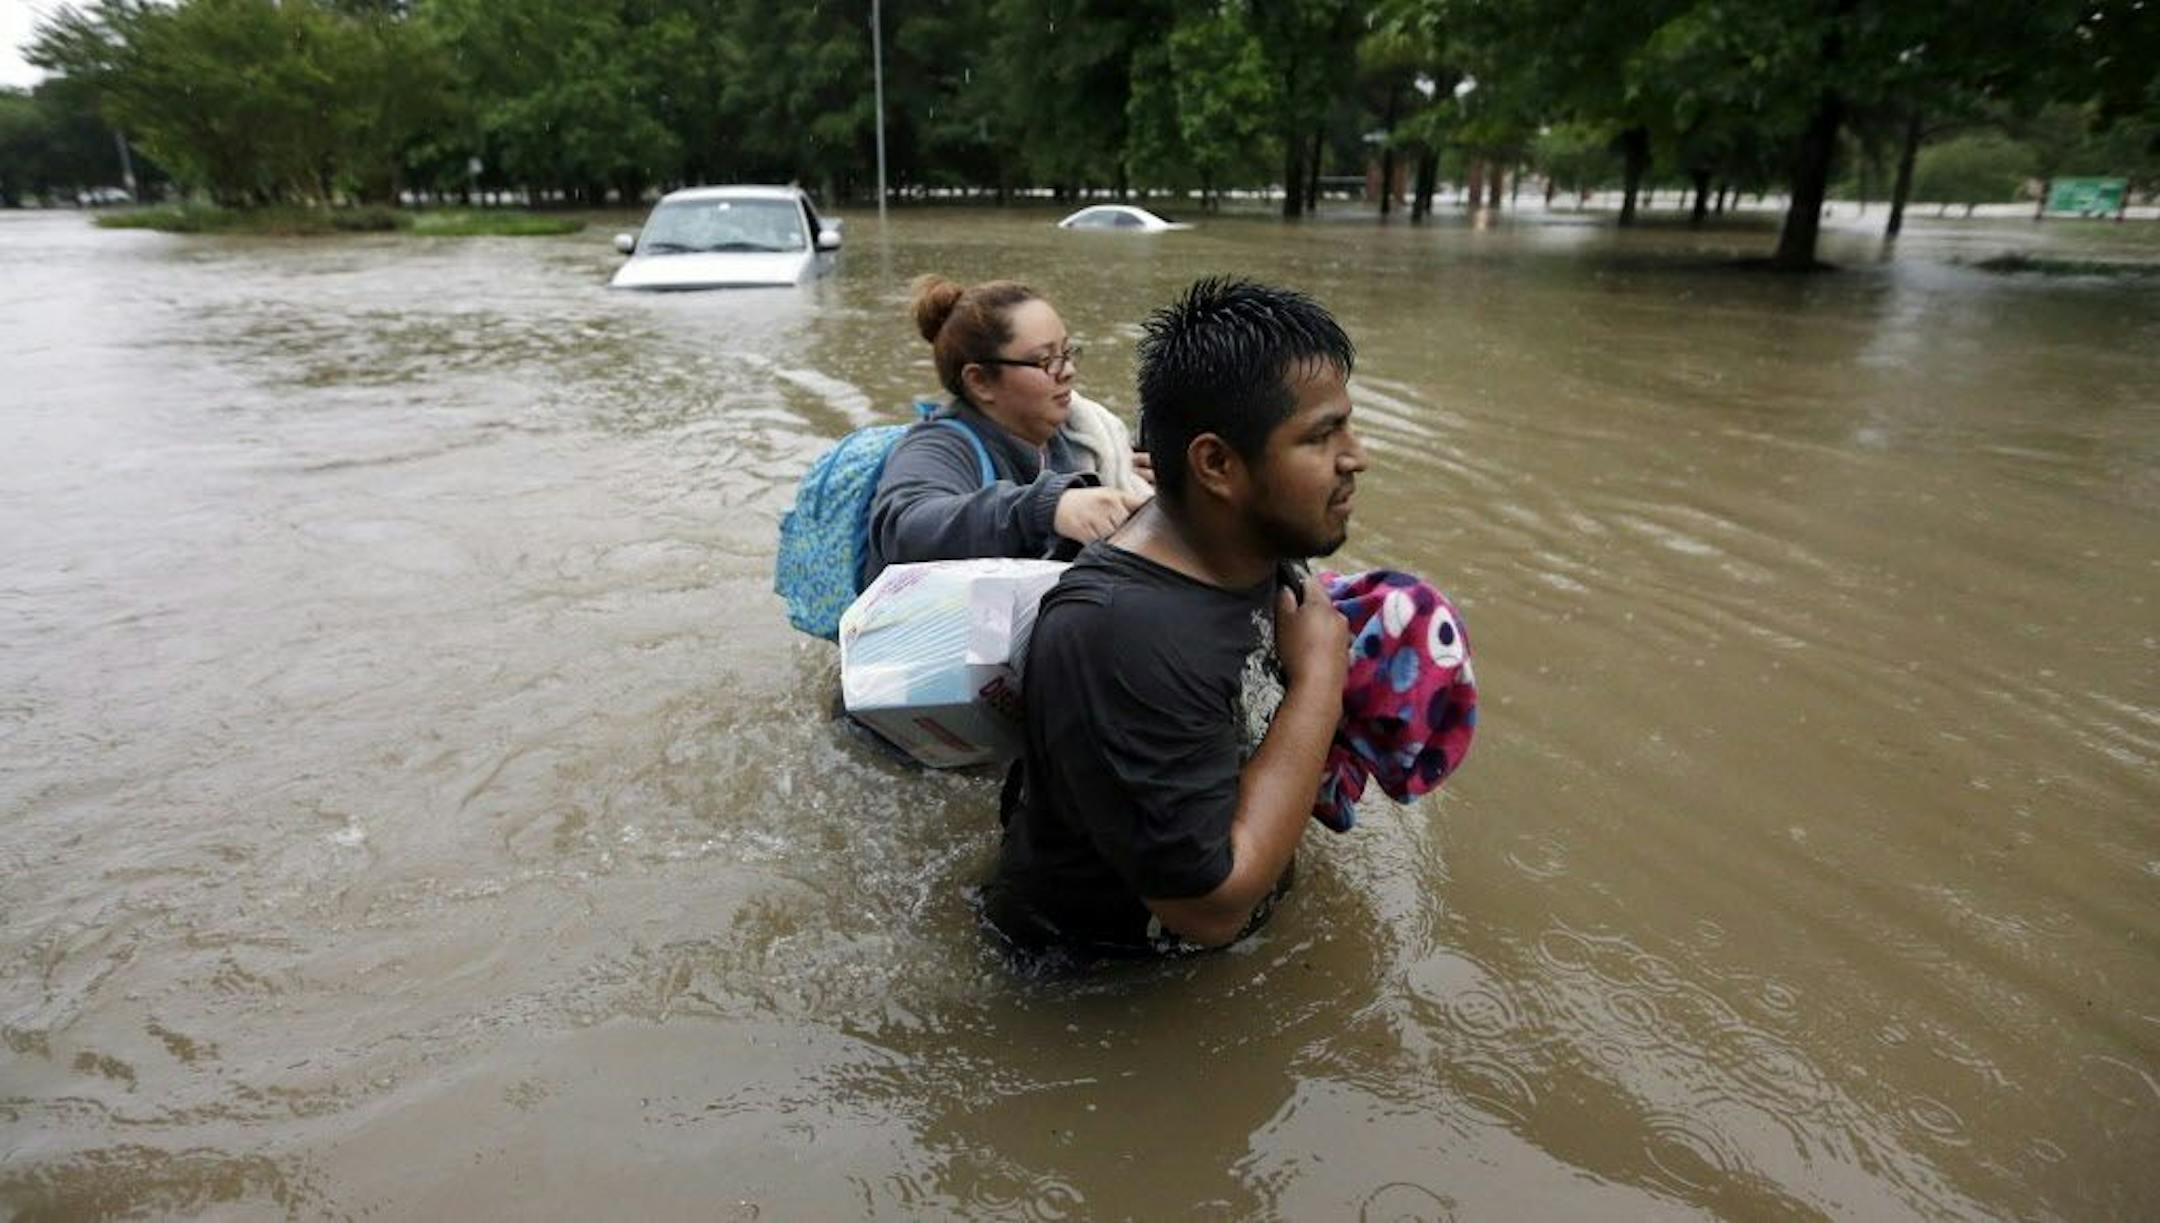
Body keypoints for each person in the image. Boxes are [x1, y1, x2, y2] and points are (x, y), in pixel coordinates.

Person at [983, 277, 1368, 958]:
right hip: (1097, 992)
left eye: (1347, 423)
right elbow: (1210, 909)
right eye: (1321, 436)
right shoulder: (1117, 632)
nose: (1356, 456)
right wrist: (1319, 685)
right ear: (1217, 463)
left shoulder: (1252, 544)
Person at [861, 276, 1151, 590]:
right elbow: (905, 530)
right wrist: (1049, 508)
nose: (1068, 371)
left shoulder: (1084, 436)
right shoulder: (938, 446)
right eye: (1046, 360)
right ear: (979, 382)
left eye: (1067, 353)